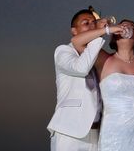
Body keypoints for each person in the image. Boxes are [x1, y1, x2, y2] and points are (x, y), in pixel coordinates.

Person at [77, 19, 134, 150]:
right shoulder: (104, 60)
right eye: (122, 25)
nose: (126, 27)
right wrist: (106, 30)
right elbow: (77, 42)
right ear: (114, 36)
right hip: (115, 132)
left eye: (131, 26)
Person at [47, 9, 125, 151]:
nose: (91, 25)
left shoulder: (97, 56)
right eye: (86, 23)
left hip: (97, 134)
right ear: (74, 31)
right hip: (69, 132)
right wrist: (102, 33)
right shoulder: (63, 51)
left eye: (94, 23)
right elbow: (80, 68)